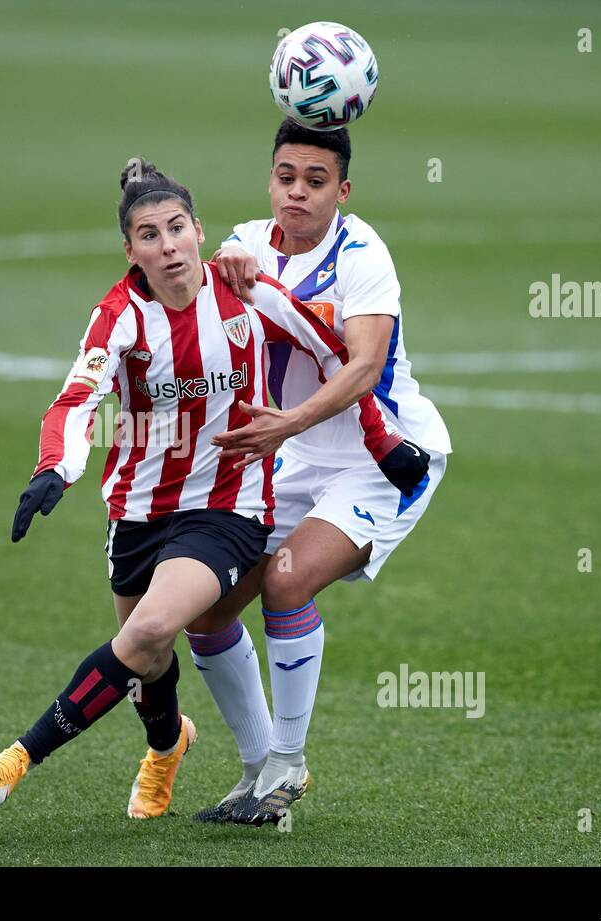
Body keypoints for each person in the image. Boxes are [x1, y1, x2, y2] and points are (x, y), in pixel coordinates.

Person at [0, 158, 426, 818]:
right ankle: (166, 747)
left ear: (200, 231)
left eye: (178, 228)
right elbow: (76, 398)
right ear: (131, 251)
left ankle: (18, 758)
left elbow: (333, 352)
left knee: (154, 626)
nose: (168, 245)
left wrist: (383, 444)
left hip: (227, 507)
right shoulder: (117, 318)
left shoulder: (243, 291)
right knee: (147, 662)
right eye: (149, 235)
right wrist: (54, 469)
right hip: (137, 510)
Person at [187, 119, 452, 825]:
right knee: (205, 609)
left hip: (383, 457)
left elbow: (364, 366)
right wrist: (225, 262)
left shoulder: (364, 255)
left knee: (287, 578)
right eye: (285, 177)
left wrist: (288, 423)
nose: (297, 193)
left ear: (343, 189)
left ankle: (289, 765)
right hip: (297, 456)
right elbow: (223, 269)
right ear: (269, 178)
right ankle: (256, 771)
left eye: (315, 181)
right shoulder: (248, 242)